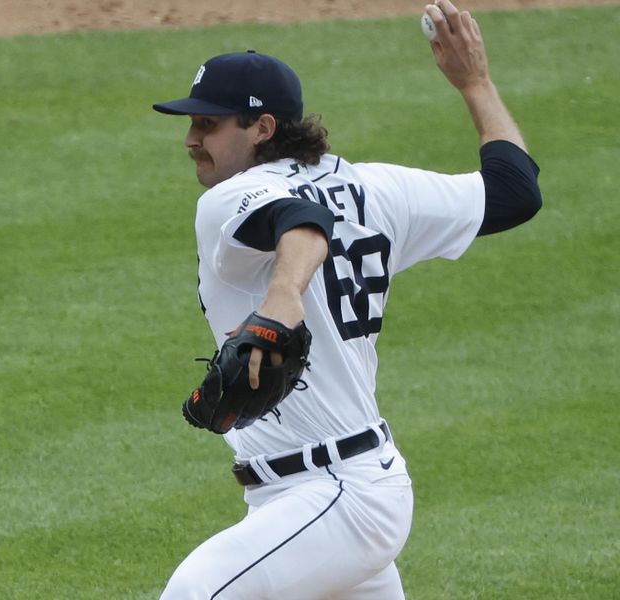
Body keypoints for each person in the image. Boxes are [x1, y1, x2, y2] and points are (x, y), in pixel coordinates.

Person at [152, 1, 542, 598]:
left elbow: (301, 220)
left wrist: (283, 296)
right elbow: (514, 192)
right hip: (336, 492)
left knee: (195, 594)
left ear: (262, 128)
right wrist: (477, 84)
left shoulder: (233, 198)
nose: (191, 139)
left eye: (209, 125)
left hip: (336, 495)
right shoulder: (374, 186)